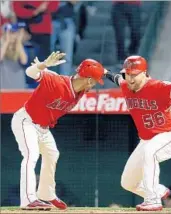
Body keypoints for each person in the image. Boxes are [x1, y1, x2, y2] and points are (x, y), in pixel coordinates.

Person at [11, 51, 105, 210]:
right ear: (88, 80)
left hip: (43, 128)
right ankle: (28, 199)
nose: (95, 84)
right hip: (26, 121)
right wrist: (44, 65)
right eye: (95, 81)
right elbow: (30, 72)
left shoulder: (80, 91)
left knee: (52, 153)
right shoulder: (56, 81)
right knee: (31, 155)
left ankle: (47, 194)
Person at [104, 55, 171, 211]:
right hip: (146, 140)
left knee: (151, 152)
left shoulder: (157, 86)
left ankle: (153, 200)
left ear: (144, 72)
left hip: (168, 136)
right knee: (128, 183)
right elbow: (116, 78)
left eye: (134, 74)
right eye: (127, 74)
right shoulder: (126, 85)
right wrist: (104, 72)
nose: (130, 78)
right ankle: (161, 191)